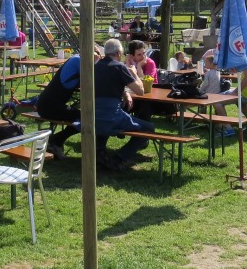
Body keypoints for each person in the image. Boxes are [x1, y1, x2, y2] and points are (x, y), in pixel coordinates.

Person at [94, 37, 154, 171]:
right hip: (112, 116)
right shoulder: (119, 67)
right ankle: (120, 158)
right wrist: (134, 72)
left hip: (92, 115)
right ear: (119, 53)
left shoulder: (95, 66)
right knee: (149, 128)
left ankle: (100, 152)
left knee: (102, 120)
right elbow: (140, 91)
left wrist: (124, 93)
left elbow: (107, 85)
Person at [35, 44, 103, 158]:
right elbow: (92, 81)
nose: (99, 58)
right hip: (49, 107)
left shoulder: (75, 59)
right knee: (86, 117)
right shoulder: (78, 61)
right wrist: (95, 62)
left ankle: (56, 140)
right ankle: (56, 140)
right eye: (98, 55)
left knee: (81, 115)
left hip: (46, 105)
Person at [126, 40, 157, 121]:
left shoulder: (150, 63)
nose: (143, 56)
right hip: (134, 95)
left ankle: (144, 130)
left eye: (144, 53)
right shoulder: (130, 63)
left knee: (144, 108)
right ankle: (121, 131)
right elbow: (126, 81)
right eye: (139, 54)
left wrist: (139, 67)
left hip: (150, 96)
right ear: (132, 56)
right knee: (122, 104)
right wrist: (128, 64)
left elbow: (145, 83)